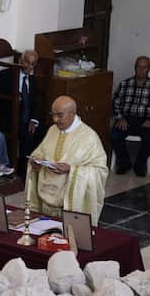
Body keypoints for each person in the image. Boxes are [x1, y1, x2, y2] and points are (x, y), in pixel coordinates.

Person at [26, 95, 109, 224]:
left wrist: (72, 169)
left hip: (68, 203)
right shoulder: (53, 130)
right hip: (45, 200)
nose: (55, 120)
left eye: (59, 115)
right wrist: (36, 161)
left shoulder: (89, 137)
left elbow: (100, 171)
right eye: (52, 114)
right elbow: (40, 152)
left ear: (73, 113)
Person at [110, 55, 150, 176]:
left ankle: (140, 164)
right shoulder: (125, 84)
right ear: (135, 67)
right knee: (114, 136)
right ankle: (124, 163)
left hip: (146, 120)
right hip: (127, 118)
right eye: (138, 67)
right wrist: (120, 118)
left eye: (144, 67)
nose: (141, 70)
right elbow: (115, 103)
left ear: (149, 69)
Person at [0, 50, 41, 173]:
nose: (28, 66)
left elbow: (35, 102)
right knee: (28, 135)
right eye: (26, 62)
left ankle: (36, 167)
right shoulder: (5, 75)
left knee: (45, 131)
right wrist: (13, 97)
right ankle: (22, 170)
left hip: (27, 119)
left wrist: (34, 120)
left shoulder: (33, 81)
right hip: (9, 117)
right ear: (20, 60)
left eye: (32, 64)